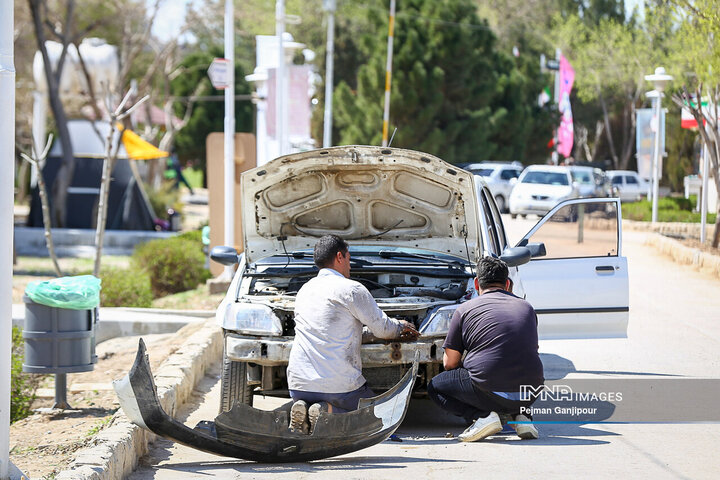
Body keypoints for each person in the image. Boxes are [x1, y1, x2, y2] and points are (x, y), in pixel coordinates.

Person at [286, 234, 419, 434]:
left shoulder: (305, 290)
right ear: (339, 257)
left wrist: (369, 335)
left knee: (316, 392)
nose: (350, 265)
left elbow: (334, 330)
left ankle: (304, 407)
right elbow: (384, 329)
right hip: (339, 388)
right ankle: (326, 411)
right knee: (375, 417)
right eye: (348, 258)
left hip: (298, 385)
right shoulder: (351, 289)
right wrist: (400, 327)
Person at [427, 257, 543, 442]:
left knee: (436, 387)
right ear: (507, 283)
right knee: (511, 369)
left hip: (489, 389)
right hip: (531, 391)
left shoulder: (464, 310)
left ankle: (483, 416)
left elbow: (450, 364)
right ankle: (522, 416)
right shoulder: (527, 307)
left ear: (476, 283)